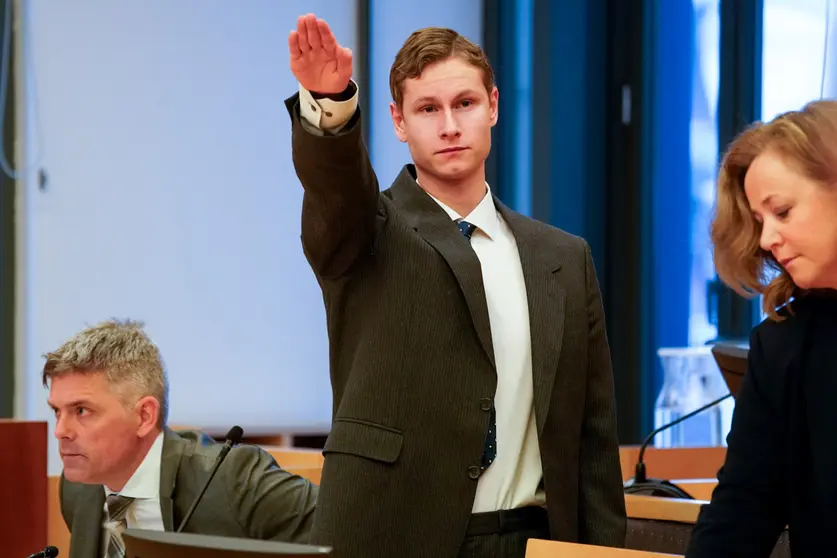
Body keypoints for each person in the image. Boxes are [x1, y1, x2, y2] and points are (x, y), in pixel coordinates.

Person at [285, 13, 626, 558]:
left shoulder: (563, 257)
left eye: (464, 104)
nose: (449, 125)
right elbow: (338, 189)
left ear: (493, 105)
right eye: (427, 109)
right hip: (397, 538)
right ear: (398, 122)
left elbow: (593, 441)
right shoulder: (369, 231)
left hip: (532, 538)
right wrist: (330, 107)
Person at [685, 100, 837, 557]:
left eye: (783, 212)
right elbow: (744, 506)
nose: (768, 238)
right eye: (759, 221)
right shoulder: (783, 343)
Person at [46, 319, 318, 558]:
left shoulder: (234, 479)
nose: (60, 431)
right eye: (57, 411)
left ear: (144, 416)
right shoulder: (78, 489)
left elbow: (347, 527)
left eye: (81, 411)